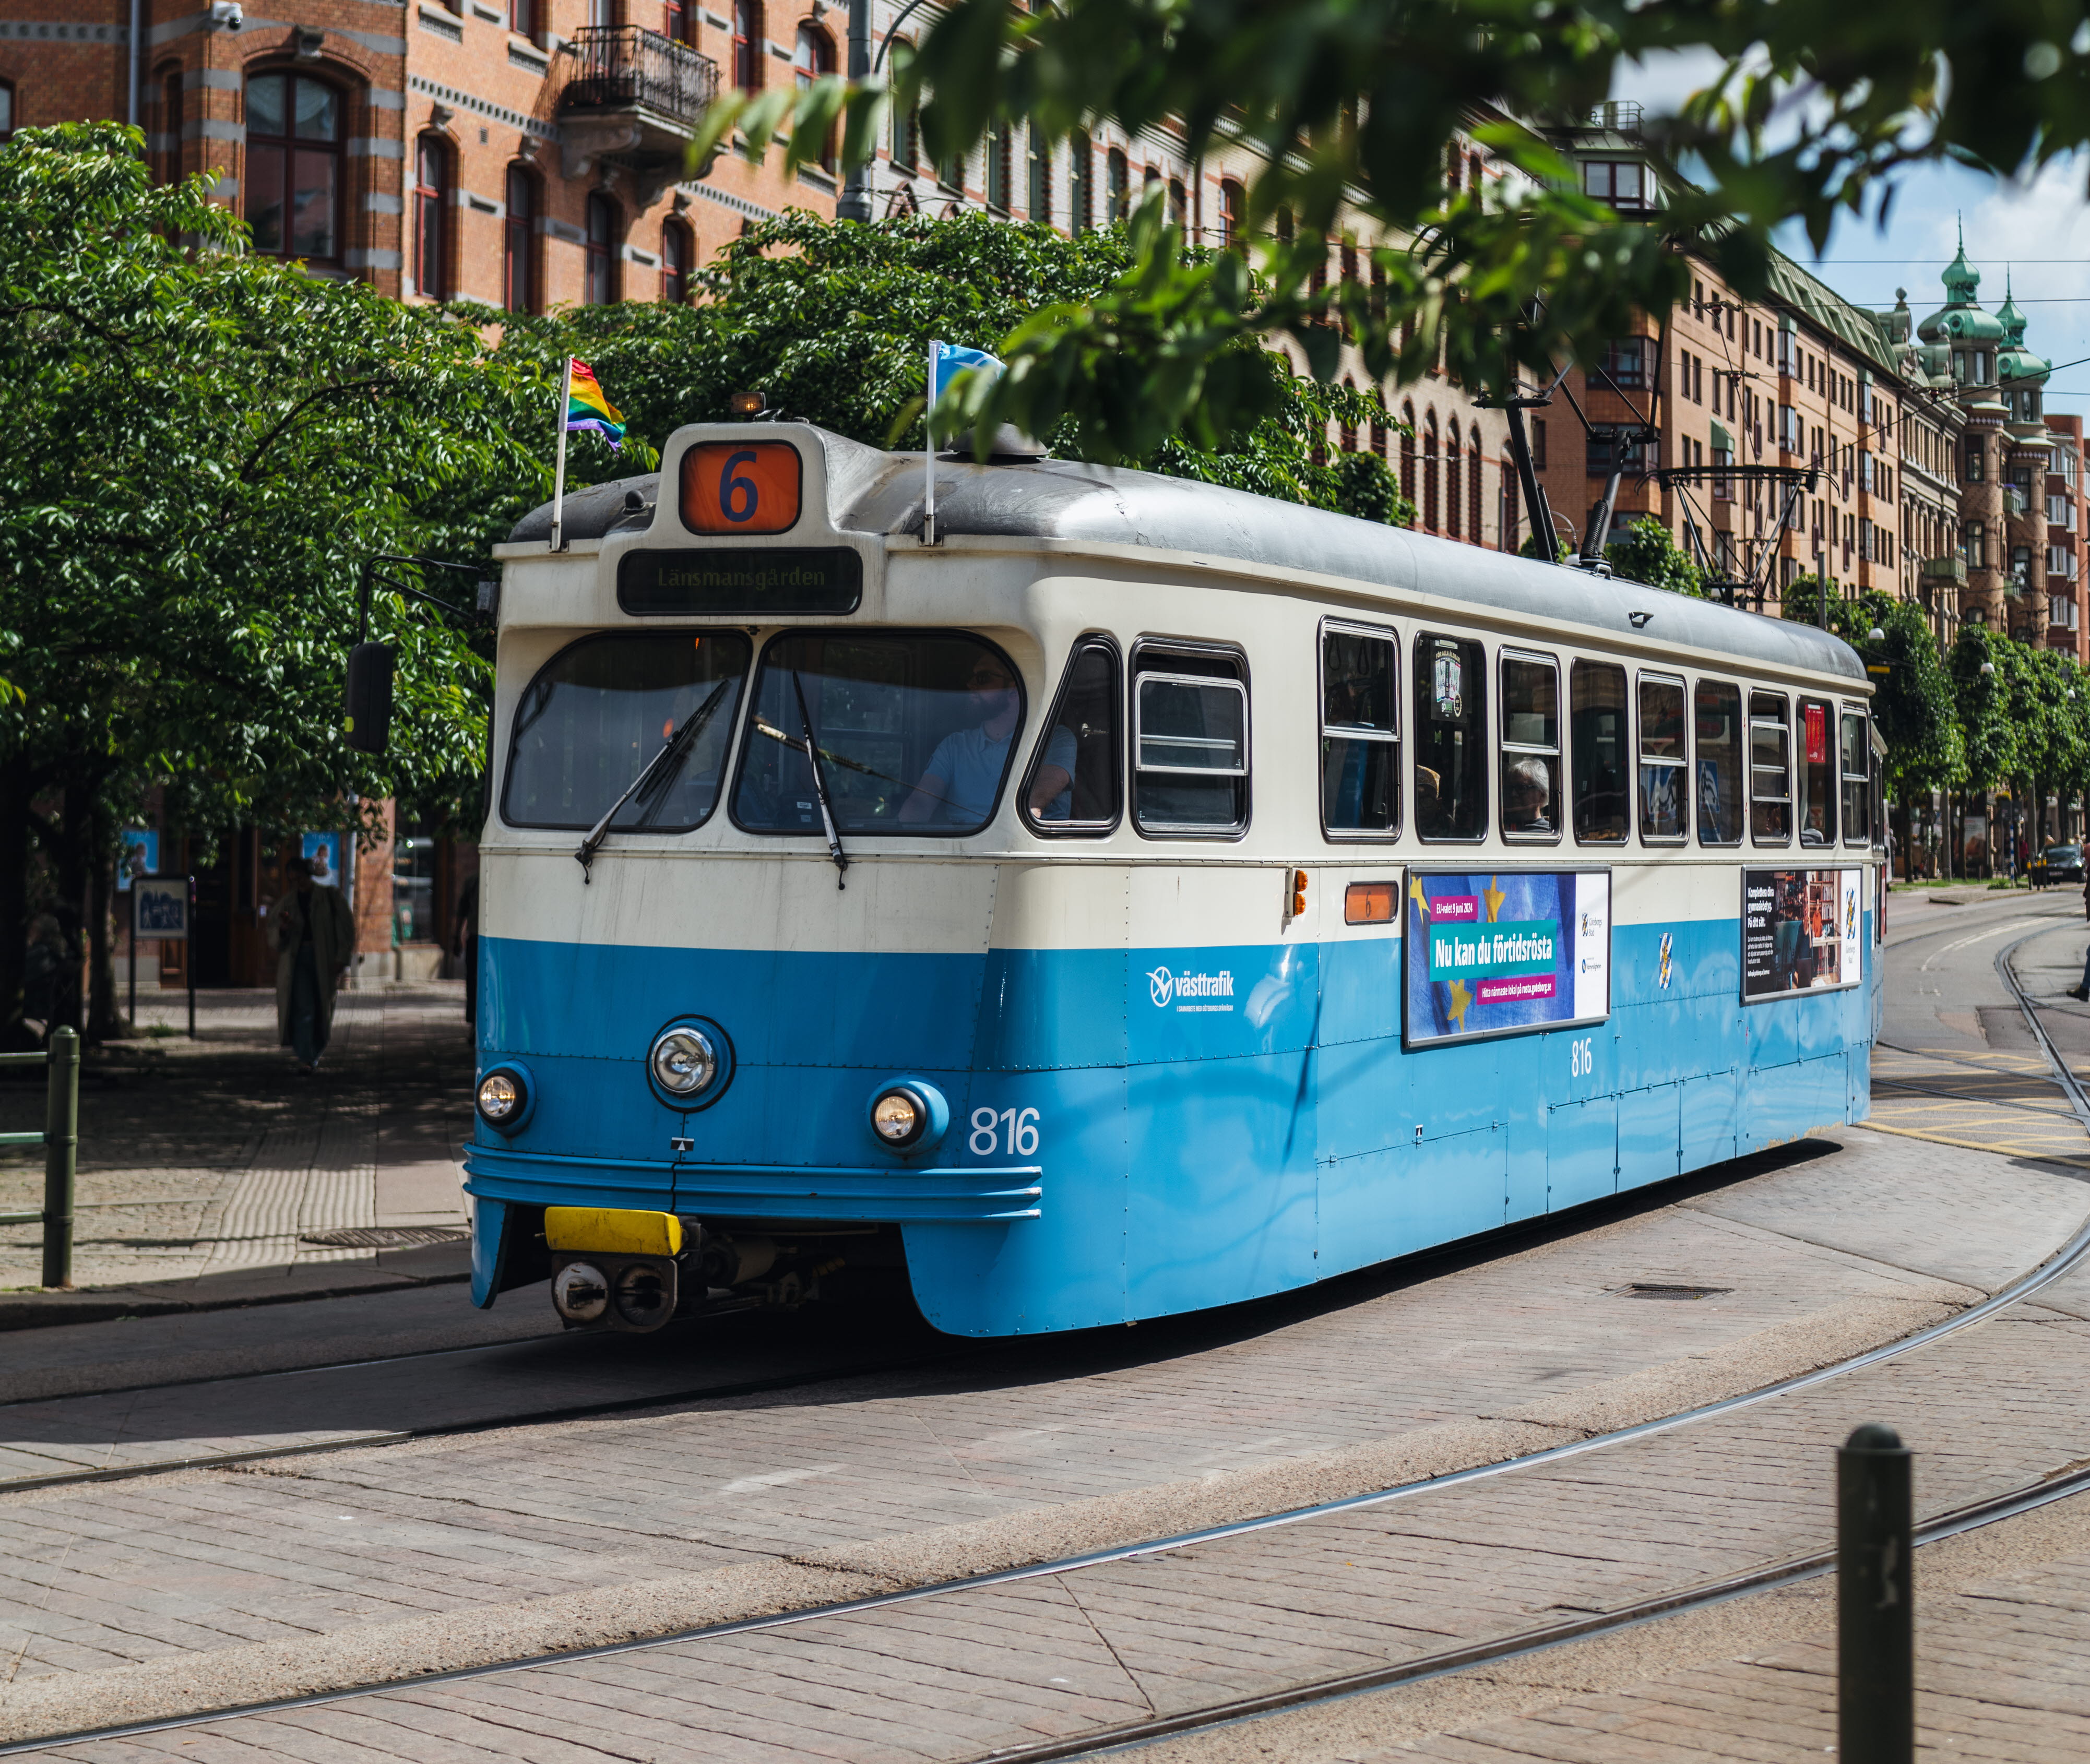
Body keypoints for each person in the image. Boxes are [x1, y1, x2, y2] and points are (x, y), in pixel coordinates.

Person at [900, 655, 1027, 827]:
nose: (971, 685)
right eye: (971, 678)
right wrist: (903, 829)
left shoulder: (1050, 742)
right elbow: (922, 800)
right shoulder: (954, 745)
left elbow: (1036, 803)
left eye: (983, 678)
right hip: (963, 843)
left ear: (1013, 688)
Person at [271, 853, 354, 1074]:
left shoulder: (329, 897)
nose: (297, 883)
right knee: (303, 1007)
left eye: (300, 877)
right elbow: (274, 934)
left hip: (324, 957)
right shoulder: (288, 901)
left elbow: (347, 930)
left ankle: (315, 1051)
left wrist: (341, 958)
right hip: (298, 959)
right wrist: (284, 929)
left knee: (322, 1006)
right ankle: (306, 1056)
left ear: (308, 875)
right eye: (293, 879)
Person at [453, 872, 480, 1028]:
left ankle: (473, 1022)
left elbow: (462, 911)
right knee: (473, 980)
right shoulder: (473, 880)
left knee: (473, 981)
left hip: (475, 937)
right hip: (475, 936)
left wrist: (457, 937)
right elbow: (462, 910)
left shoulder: (474, 879)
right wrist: (457, 937)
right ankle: (473, 1022)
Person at [1503, 756, 1553, 834]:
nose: (1513, 794)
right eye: (1510, 788)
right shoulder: (1503, 828)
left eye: (1521, 788)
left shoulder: (1548, 833)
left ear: (1542, 795)